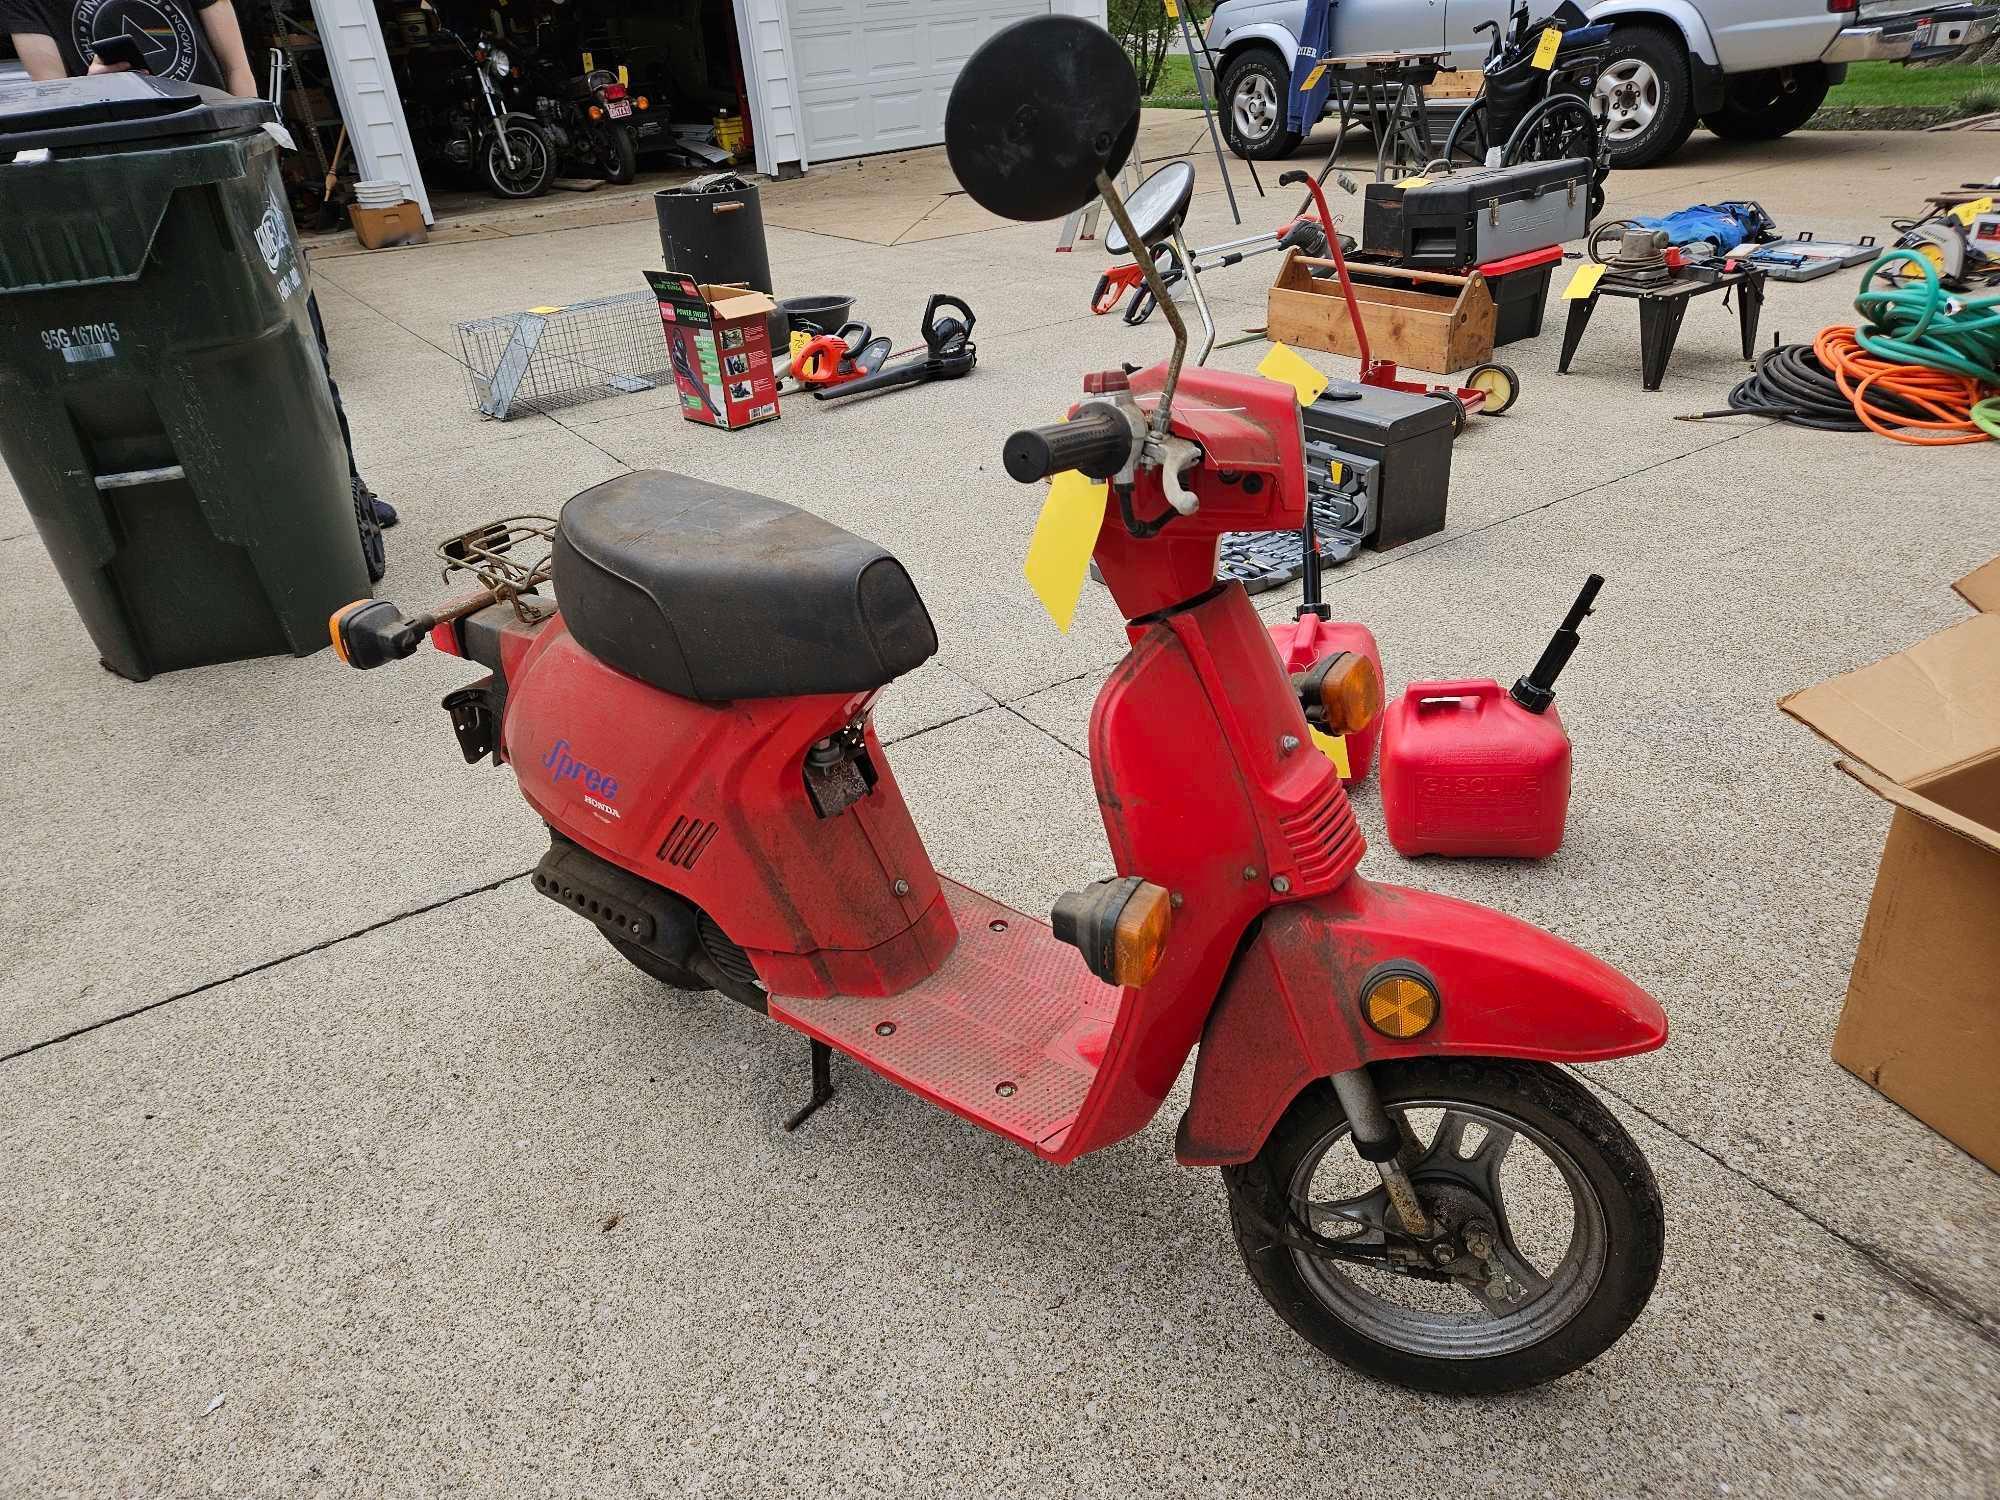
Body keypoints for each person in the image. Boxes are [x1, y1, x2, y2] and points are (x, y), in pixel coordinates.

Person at [2, 0, 397, 579]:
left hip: (221, 170)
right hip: (125, 188)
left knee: (300, 346)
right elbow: (54, 99)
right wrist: (96, 89)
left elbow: (236, 72)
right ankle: (230, 526)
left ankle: (342, 489)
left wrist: (247, 145)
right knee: (193, 364)